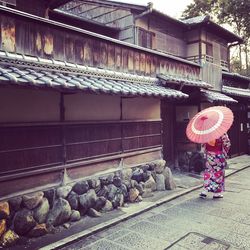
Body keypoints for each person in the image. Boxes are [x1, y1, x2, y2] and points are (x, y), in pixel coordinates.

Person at [199, 133, 231, 199]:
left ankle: (204, 191)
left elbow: (203, 145)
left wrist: (205, 153)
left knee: (208, 173)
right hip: (219, 156)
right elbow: (227, 145)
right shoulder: (221, 132)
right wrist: (224, 152)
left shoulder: (206, 132)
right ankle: (216, 193)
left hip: (209, 156)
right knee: (218, 174)